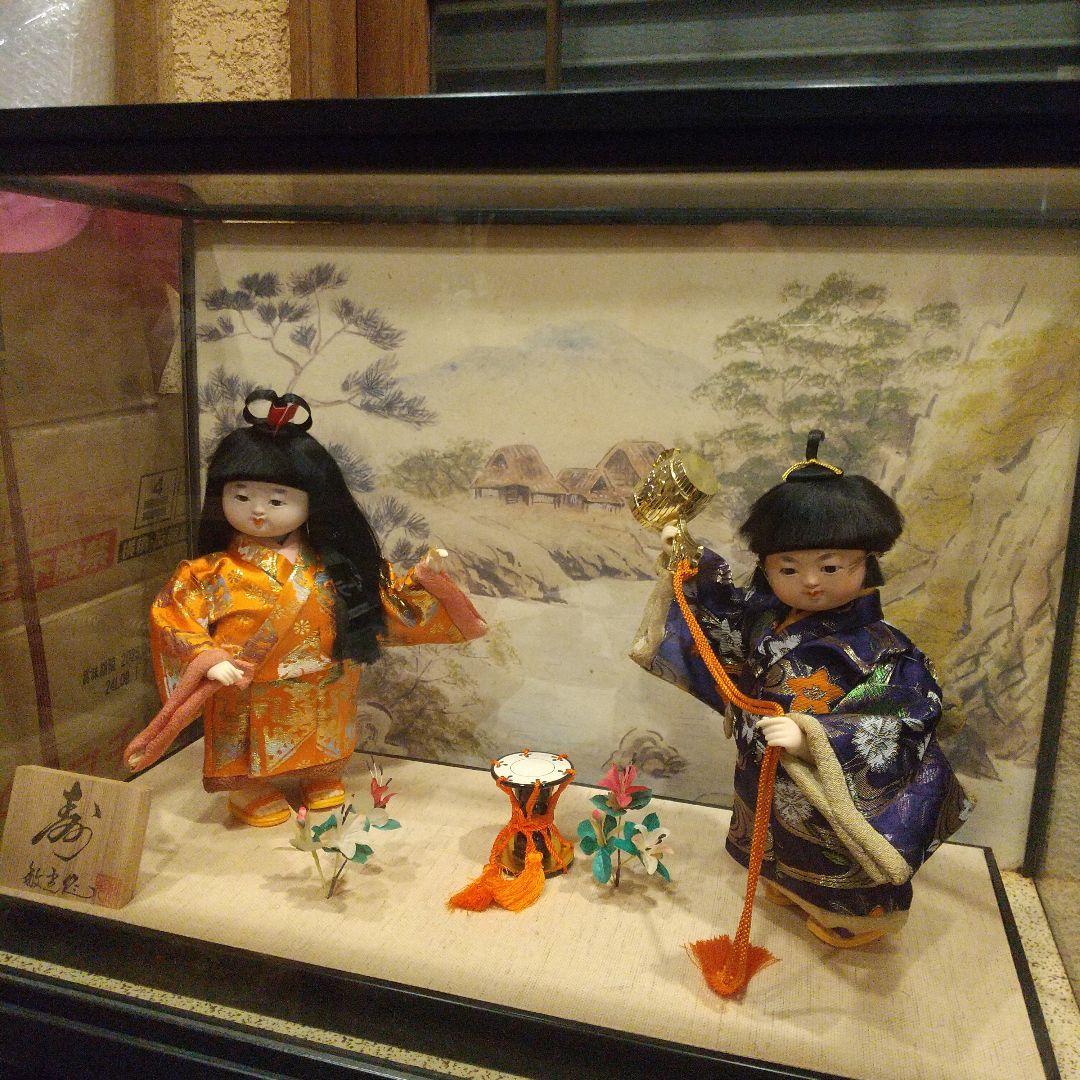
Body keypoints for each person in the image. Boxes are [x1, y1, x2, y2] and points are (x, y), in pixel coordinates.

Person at [631, 431, 971, 947]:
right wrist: (686, 558)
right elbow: (718, 615)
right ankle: (788, 887)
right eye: (788, 568)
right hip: (764, 758)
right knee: (773, 833)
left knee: (829, 847)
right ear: (767, 569)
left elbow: (905, 715)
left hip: (822, 776)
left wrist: (814, 735)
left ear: (865, 563)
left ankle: (850, 916)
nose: (810, 582)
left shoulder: (883, 649)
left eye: (830, 567)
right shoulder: (765, 616)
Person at [125, 391, 486, 826]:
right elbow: (172, 618)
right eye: (241, 496)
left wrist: (425, 579)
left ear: (312, 501)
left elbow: (383, 599)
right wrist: (207, 658)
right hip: (246, 685)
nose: (258, 511)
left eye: (277, 501)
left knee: (322, 733)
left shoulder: (336, 564)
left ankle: (319, 776)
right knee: (245, 738)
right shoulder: (209, 572)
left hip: (323, 681)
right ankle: (248, 788)